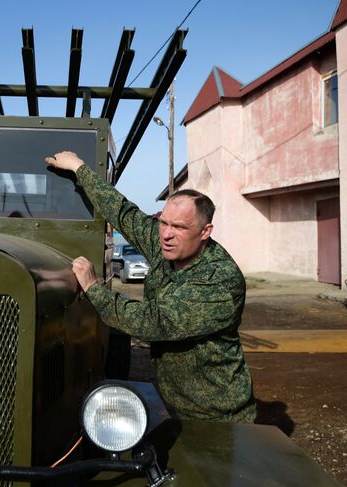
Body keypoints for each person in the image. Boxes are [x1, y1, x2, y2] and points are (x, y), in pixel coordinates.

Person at [45, 151, 256, 423]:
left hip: (216, 415)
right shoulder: (165, 244)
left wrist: (94, 287)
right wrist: (79, 168)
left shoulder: (219, 280)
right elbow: (123, 213)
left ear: (205, 232)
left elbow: (153, 322)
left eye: (179, 227)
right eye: (164, 222)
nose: (167, 234)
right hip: (175, 402)